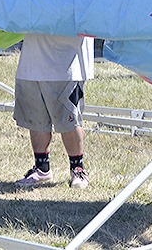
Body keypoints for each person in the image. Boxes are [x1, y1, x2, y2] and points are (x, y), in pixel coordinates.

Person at [13, 35, 94, 188]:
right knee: (36, 120)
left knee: (69, 120)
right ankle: (42, 169)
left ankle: (78, 169)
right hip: (31, 64)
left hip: (66, 64)